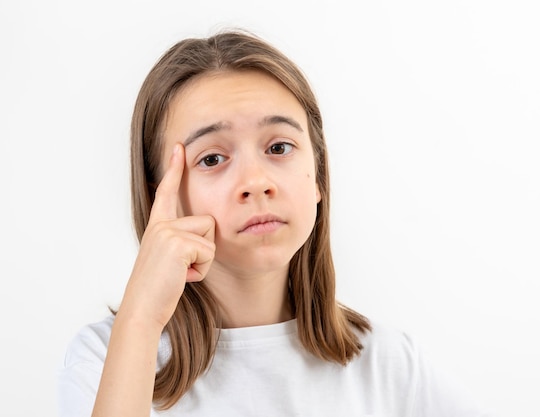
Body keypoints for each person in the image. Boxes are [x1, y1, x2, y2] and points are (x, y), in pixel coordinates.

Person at [58, 28, 491, 417]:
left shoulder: (389, 364)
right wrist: (140, 322)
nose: (256, 182)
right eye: (212, 158)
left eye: (279, 148)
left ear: (318, 175)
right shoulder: (105, 357)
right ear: (161, 199)